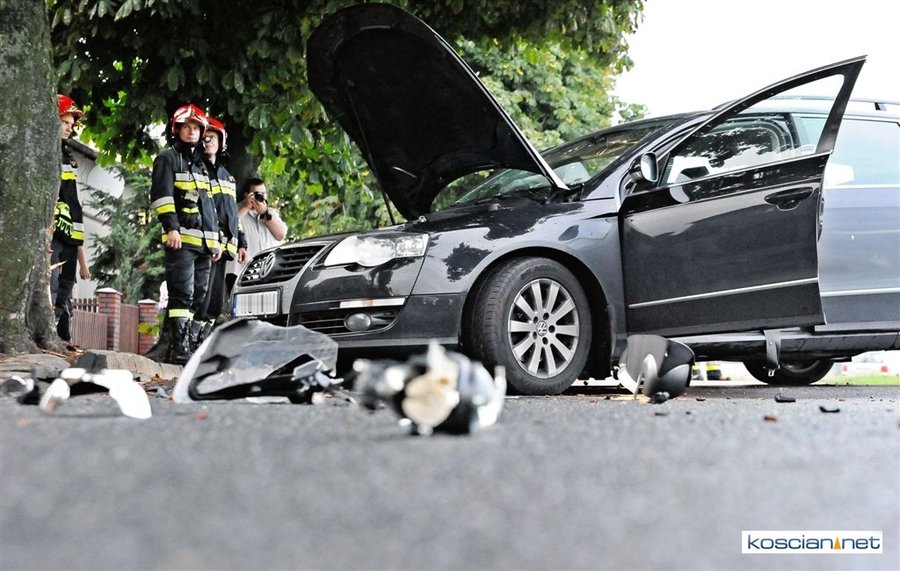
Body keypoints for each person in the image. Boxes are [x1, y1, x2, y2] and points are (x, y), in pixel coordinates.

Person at [148, 104, 221, 364]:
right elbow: (162, 197)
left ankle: (184, 346)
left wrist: (215, 241)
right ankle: (179, 349)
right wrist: (171, 227)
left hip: (205, 244)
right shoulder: (167, 159)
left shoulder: (202, 165)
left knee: (199, 296)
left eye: (196, 128)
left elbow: (209, 207)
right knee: (182, 293)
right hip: (180, 242)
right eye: (187, 127)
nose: (192, 132)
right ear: (177, 130)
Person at [192, 117, 247, 348]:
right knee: (200, 298)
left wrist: (241, 242)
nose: (208, 142)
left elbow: (233, 214)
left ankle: (202, 340)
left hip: (224, 247)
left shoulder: (227, 177)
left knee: (215, 302)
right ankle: (190, 341)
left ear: (221, 141)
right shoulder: (195, 170)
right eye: (204, 138)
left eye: (212, 137)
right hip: (205, 244)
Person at [51, 94, 91, 342]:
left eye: (71, 124)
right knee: (52, 286)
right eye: (65, 122)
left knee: (65, 289)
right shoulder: (47, 154)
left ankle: (60, 339)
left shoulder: (67, 156)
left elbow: (73, 205)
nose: (70, 127)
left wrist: (83, 261)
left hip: (69, 237)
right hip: (53, 235)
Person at [224, 178, 287, 298]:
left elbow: (281, 234)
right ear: (246, 195)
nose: (261, 197)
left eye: (263, 193)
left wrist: (265, 213)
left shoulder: (271, 213)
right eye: (257, 194)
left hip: (268, 271)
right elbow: (229, 226)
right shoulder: (236, 210)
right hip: (242, 272)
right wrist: (246, 207)